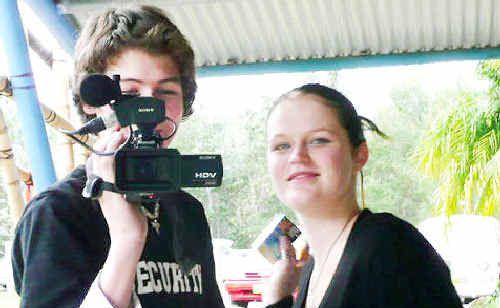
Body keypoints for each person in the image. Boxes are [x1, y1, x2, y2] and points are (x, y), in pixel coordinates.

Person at [11, 5, 224, 308]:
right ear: (90, 102)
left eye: (166, 92)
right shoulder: (59, 213)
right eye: (130, 93)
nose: (151, 111)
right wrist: (127, 239)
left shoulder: (186, 211)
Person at [262, 84, 463, 308]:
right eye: (281, 146)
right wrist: (277, 298)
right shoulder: (312, 267)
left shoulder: (389, 246)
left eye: (319, 140)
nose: (297, 156)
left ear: (359, 155)